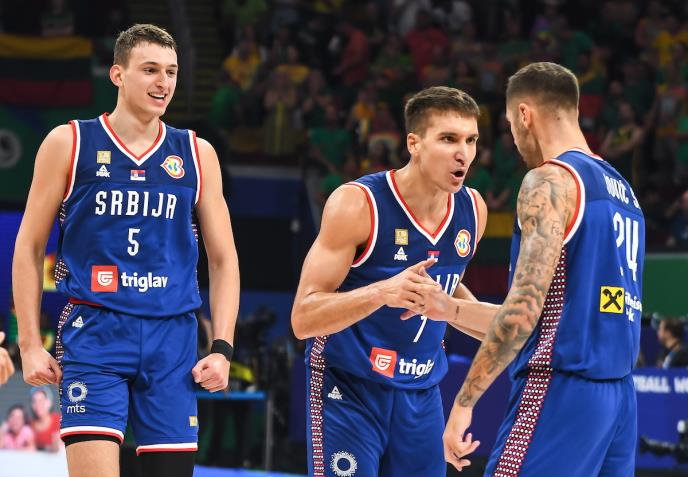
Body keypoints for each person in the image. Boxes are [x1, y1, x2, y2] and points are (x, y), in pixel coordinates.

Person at [12, 24, 240, 477]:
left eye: (171, 71)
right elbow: (29, 246)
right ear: (117, 74)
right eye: (150, 69)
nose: (163, 82)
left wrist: (222, 348)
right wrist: (30, 344)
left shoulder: (197, 154)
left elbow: (223, 259)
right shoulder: (69, 143)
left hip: (172, 339)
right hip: (95, 332)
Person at [439, 62, 646, 475]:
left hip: (560, 388)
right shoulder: (623, 191)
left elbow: (523, 313)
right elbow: (557, 313)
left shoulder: (550, 181)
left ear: (524, 115)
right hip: (620, 397)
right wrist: (448, 308)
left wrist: (464, 403)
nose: (515, 139)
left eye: (510, 126)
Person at [292, 86, 493, 477]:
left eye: (470, 141)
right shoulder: (358, 203)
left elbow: (448, 297)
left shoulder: (474, 210)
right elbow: (302, 318)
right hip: (348, 385)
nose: (463, 153)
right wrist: (382, 292)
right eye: (448, 139)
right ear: (414, 144)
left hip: (421, 394)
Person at [30, 386, 62, 452]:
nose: (37, 405)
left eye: (41, 401)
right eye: (34, 401)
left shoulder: (60, 420)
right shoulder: (29, 424)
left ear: (49, 402)